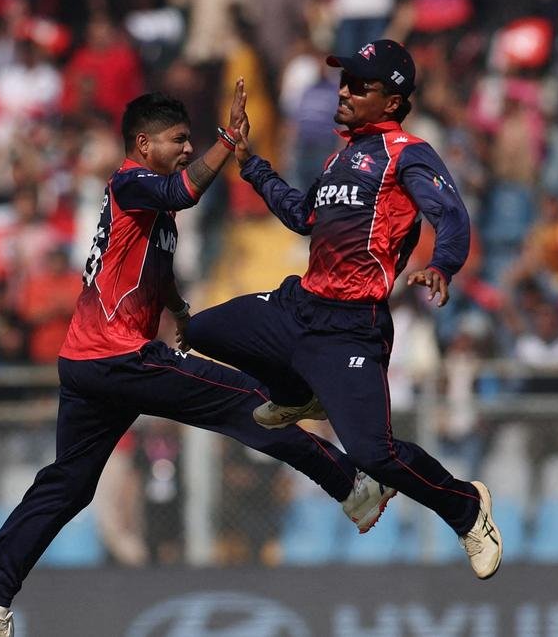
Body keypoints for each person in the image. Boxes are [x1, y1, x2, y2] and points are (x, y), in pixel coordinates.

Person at [0, 82, 395, 637]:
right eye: (178, 139)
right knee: (251, 403)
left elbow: (154, 272)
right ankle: (350, 487)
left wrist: (181, 311)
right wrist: (228, 141)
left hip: (88, 363)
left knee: (68, 484)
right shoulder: (132, 181)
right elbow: (186, 191)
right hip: (119, 356)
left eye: (191, 140)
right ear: (144, 144)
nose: (187, 149)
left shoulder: (153, 210)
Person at [185, 39, 502, 580]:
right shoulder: (338, 157)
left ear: (393, 101)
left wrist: (442, 265)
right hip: (300, 306)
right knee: (200, 331)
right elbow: (303, 216)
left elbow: (450, 214)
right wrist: (250, 164)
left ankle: (467, 509)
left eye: (360, 85)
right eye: (345, 80)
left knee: (374, 457)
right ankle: (295, 393)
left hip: (352, 328)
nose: (345, 91)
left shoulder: (407, 153)